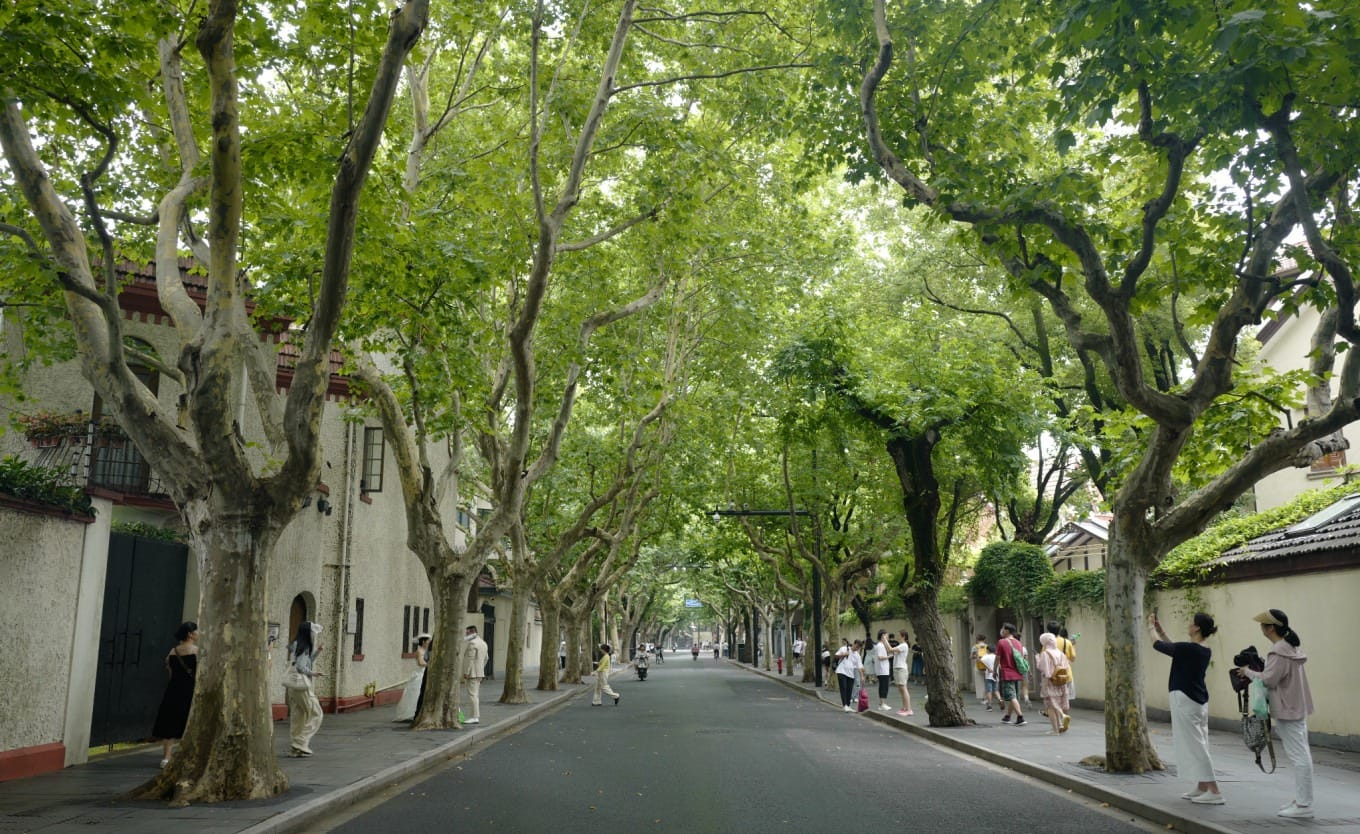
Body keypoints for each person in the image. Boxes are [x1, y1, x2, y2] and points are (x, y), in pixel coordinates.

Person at [1238, 609, 1314, 819]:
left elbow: (1268, 680)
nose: (1261, 628)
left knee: (1299, 757)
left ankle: (1304, 805)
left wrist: (1247, 672)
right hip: (1297, 706)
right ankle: (1301, 800)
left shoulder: (1278, 651)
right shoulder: (1291, 647)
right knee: (1302, 754)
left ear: (1271, 627)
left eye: (1263, 625)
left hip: (1287, 709)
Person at [1150, 611, 1222, 804]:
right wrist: (1161, 629)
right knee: (1198, 743)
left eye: (1191, 623)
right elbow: (1175, 648)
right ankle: (1202, 786)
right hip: (1198, 701)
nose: (1189, 625)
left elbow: (1158, 645)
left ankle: (1214, 790)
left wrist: (1150, 627)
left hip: (1185, 700)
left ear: (1197, 627)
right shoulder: (1202, 649)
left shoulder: (1189, 649)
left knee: (1195, 745)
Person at [150, 621, 198, 768]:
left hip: (173, 691)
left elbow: (171, 674)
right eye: (197, 631)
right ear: (190, 634)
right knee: (189, 723)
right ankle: (189, 756)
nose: (198, 633)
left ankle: (166, 758)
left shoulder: (172, 652)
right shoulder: (197, 652)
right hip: (190, 691)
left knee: (169, 725)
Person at [286, 622, 324, 757]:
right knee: (316, 713)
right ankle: (301, 741)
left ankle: (295, 748)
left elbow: (305, 661)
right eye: (313, 633)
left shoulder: (296, 644)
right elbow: (301, 667)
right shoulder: (305, 646)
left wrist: (317, 652)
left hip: (292, 686)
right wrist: (313, 674)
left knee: (298, 716)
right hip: (302, 685)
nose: (314, 636)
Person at [1035, 632, 1072, 735]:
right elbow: (1066, 666)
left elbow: (1044, 669)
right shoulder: (1061, 653)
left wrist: (1038, 659)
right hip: (1061, 682)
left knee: (1050, 706)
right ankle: (1061, 721)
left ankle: (1056, 730)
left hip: (1050, 682)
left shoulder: (1045, 654)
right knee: (1059, 702)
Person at [394, 634, 431, 722]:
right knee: (417, 693)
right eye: (428, 641)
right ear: (423, 641)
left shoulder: (426, 650)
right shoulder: (419, 651)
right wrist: (431, 664)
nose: (429, 643)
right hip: (421, 673)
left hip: (426, 672)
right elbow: (420, 663)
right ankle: (412, 713)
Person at [994, 623, 1026, 726]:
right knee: (1015, 696)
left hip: (1007, 672)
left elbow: (998, 658)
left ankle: (1020, 717)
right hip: (1017, 672)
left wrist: (994, 670)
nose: (1002, 630)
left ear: (1007, 631)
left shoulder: (1001, 642)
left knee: (1011, 696)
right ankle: (1007, 716)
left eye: (1003, 629)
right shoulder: (1018, 643)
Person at [462, 625, 489, 725]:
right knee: (475, 695)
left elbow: (470, 659)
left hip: (472, 674)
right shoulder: (483, 643)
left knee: (473, 695)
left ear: (472, 633)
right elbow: (486, 658)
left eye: (467, 633)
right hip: (479, 673)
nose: (466, 635)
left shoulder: (473, 643)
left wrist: (466, 672)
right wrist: (480, 669)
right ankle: (475, 716)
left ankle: (475, 717)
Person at [834, 639, 866, 712]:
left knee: (849, 690)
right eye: (856, 646)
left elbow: (860, 666)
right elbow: (836, 656)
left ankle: (848, 705)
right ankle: (845, 705)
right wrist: (844, 655)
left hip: (850, 674)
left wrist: (862, 676)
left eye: (858, 648)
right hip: (841, 671)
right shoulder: (844, 648)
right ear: (854, 644)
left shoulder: (857, 655)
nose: (857, 649)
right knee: (843, 688)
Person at [890, 630, 913, 716]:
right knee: (901, 690)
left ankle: (908, 709)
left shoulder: (903, 645)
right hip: (898, 668)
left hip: (901, 669)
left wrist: (884, 640)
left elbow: (890, 649)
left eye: (899, 635)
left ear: (903, 636)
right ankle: (904, 708)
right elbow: (891, 652)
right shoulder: (901, 645)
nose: (897, 637)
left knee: (903, 689)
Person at [872, 630, 893, 711]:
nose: (887, 637)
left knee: (884, 686)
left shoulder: (881, 645)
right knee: (883, 686)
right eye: (886, 635)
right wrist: (889, 657)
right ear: (882, 636)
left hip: (882, 669)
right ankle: (882, 704)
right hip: (882, 669)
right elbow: (880, 657)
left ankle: (882, 703)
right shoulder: (880, 645)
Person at [980, 644, 998, 711]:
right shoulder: (996, 656)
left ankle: (990, 705)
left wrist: (988, 668)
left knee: (989, 691)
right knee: (996, 690)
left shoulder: (986, 656)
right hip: (996, 675)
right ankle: (1000, 699)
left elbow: (981, 660)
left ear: (988, 650)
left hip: (988, 676)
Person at [972, 635, 989, 704]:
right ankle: (988, 697)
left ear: (977, 639)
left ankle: (983, 698)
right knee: (987, 682)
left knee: (980, 683)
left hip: (978, 666)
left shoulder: (975, 647)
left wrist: (975, 657)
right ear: (984, 639)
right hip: (987, 666)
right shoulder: (987, 646)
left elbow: (971, 656)